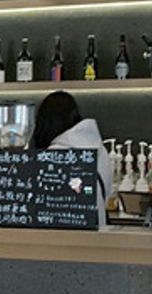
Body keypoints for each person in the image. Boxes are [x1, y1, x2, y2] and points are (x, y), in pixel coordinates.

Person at [32, 90, 112, 227]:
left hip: (63, 234)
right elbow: (107, 193)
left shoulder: (53, 156)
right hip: (98, 230)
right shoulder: (100, 150)